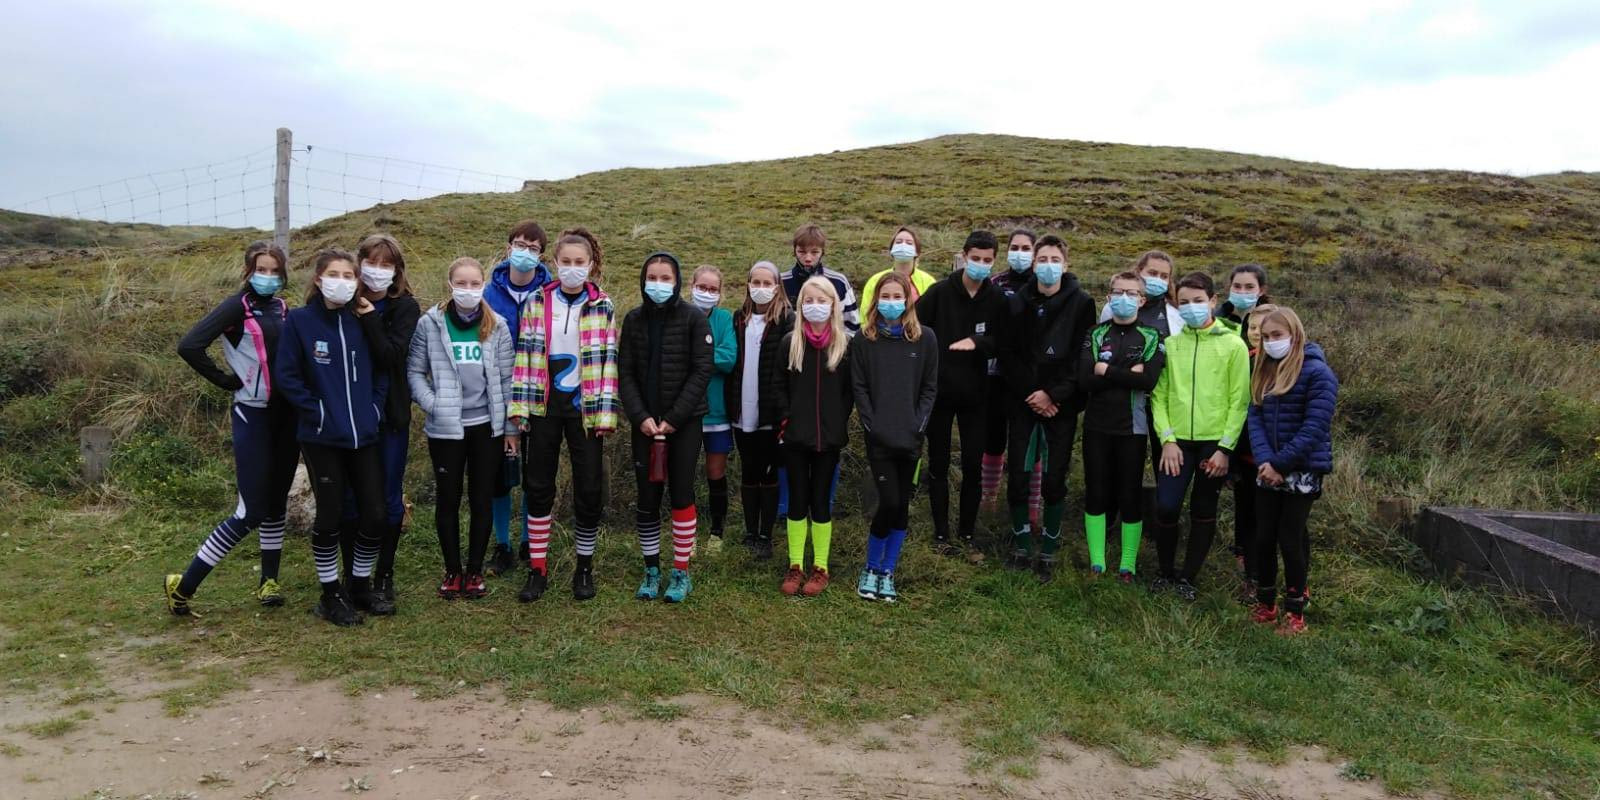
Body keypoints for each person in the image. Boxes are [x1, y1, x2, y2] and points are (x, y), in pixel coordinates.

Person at [165, 241, 299, 616]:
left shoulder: (283, 307)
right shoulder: (235, 307)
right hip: (252, 415)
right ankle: (183, 586)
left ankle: (268, 581)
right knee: (251, 511)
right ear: (248, 271)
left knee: (276, 504)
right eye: (261, 269)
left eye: (275, 271)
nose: (268, 276)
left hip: (287, 417)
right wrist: (225, 381)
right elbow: (190, 345)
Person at [274, 248, 390, 626]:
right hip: (322, 436)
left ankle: (359, 584)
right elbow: (287, 375)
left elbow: (382, 369)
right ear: (318, 279)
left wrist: (374, 410)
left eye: (348, 275)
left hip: (364, 434)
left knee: (375, 514)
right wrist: (318, 413)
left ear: (357, 282)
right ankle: (330, 593)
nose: (341, 281)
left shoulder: (363, 319)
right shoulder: (300, 321)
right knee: (331, 513)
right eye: (334, 274)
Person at [507, 228, 619, 602]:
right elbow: (525, 354)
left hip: (585, 411)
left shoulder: (603, 305)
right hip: (543, 409)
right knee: (538, 485)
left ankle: (584, 567)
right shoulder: (537, 301)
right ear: (555, 263)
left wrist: (605, 413)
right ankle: (537, 569)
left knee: (589, 488)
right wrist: (519, 408)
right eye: (566, 261)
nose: (572, 268)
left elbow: (608, 361)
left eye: (579, 262)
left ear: (591, 265)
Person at [407, 257, 514, 599]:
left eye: (475, 283)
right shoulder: (430, 324)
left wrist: (510, 428)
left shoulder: (497, 325)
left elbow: (508, 380)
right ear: (450, 284)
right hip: (446, 429)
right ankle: (453, 571)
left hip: (487, 428)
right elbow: (414, 372)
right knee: (448, 499)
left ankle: (475, 571)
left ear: (483, 285)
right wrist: (434, 404)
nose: (468, 289)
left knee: (482, 499)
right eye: (461, 283)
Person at [996, 234, 1095, 580]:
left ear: (1066, 265)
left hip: (1060, 405)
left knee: (1054, 477)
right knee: (1019, 474)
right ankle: (1021, 543)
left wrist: (1054, 394)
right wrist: (1032, 393)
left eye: (1055, 260)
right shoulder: (1017, 302)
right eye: (1043, 260)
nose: (1048, 266)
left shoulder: (1082, 303)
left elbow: (1082, 354)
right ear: (1034, 264)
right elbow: (1007, 353)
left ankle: (1050, 547)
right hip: (1023, 401)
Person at [618, 252, 713, 603]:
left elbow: (701, 371)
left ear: (677, 282)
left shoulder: (693, 319)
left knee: (682, 494)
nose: (658, 284)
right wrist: (640, 416)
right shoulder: (633, 319)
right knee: (647, 498)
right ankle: (651, 569)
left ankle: (680, 572)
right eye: (652, 277)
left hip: (684, 423)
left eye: (665, 278)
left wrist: (673, 418)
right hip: (644, 424)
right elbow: (625, 372)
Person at [1150, 272, 1250, 601]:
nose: (1191, 307)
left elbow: (1239, 402)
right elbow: (1158, 396)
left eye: (1197, 301)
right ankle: (1165, 572)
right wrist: (1167, 439)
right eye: (1184, 302)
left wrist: (1224, 449)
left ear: (1212, 301)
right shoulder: (1171, 345)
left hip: (1213, 445)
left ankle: (1187, 578)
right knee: (1166, 507)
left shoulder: (1233, 345)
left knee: (1203, 509)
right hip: (1176, 443)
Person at [916, 230, 1010, 559]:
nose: (981, 264)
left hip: (976, 395)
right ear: (964, 256)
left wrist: (978, 343)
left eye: (987, 260)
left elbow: (1004, 340)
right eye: (976, 258)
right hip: (939, 393)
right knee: (939, 463)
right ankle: (941, 533)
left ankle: (967, 534)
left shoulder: (997, 298)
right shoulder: (940, 292)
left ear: (994, 261)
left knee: (972, 464)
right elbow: (915, 327)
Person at [340, 234, 420, 614]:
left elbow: (391, 356)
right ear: (359, 264)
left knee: (389, 497)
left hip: (390, 416)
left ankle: (384, 574)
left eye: (386, 264)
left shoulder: (405, 307)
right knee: (351, 499)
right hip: (348, 415)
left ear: (397, 270)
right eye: (371, 262)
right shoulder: (341, 302)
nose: (377, 270)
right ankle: (352, 577)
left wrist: (370, 316)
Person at [1246, 306, 1337, 635]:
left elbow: (1314, 427)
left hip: (1301, 470)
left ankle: (1295, 610)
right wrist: (1265, 461)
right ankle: (1266, 603)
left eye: (1277, 335)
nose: (1271, 342)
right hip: (1267, 468)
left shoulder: (1318, 373)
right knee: (1263, 538)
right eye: (1266, 336)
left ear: (1294, 335)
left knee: (1290, 539)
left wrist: (1281, 464)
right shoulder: (1264, 371)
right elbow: (1254, 416)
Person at [849, 272, 938, 602]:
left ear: (908, 300)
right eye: (884, 296)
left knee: (901, 505)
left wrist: (919, 424)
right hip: (880, 439)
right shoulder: (864, 340)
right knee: (888, 501)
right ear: (876, 300)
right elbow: (859, 387)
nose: (891, 302)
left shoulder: (925, 339)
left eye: (896, 296)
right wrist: (872, 424)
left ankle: (888, 571)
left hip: (911, 437)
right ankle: (870, 567)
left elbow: (929, 387)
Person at [1078, 272, 1166, 581]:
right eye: (1118, 292)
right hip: (1096, 425)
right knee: (1096, 490)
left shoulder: (1152, 336)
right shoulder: (1095, 333)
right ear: (1108, 297)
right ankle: (1097, 561)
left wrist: (1106, 370)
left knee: (1130, 494)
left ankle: (1128, 564)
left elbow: (1148, 381)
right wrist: (1128, 373)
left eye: (1131, 293)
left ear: (1142, 300)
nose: (1124, 298)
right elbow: (1084, 380)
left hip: (1133, 428)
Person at [481, 219, 552, 576]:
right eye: (520, 245)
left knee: (533, 473)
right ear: (509, 247)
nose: (525, 252)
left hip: (538, 395)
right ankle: (502, 544)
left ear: (541, 255)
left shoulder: (550, 292)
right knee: (500, 473)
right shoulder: (487, 293)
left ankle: (528, 540)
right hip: (496, 395)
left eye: (533, 248)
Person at [776, 277, 854, 596]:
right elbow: (778, 387)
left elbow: (849, 393)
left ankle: (820, 567)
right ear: (801, 305)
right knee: (797, 500)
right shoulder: (790, 343)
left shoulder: (844, 346)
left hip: (829, 440)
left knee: (820, 502)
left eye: (822, 300)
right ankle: (795, 564)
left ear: (833, 305)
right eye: (809, 301)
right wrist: (786, 421)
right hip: (795, 438)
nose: (815, 306)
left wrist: (837, 423)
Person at [725, 261, 794, 560]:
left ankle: (766, 534)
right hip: (742, 409)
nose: (761, 288)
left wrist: (784, 410)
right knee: (749, 469)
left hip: (770, 412)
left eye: (767, 283)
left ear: (777, 287)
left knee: (769, 471)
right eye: (756, 282)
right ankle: (750, 530)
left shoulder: (787, 320)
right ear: (748, 285)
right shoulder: (738, 318)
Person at [1217, 264, 1270, 589]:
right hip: (1237, 437)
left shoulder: (1274, 327)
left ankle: (1262, 566)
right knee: (1244, 499)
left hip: (1267, 444)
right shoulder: (1221, 321)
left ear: (1261, 289)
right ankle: (1244, 553)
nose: (1242, 291)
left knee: (1263, 508)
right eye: (1237, 286)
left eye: (1249, 286)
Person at [982, 229, 1040, 516]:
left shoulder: (1043, 284)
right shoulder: (995, 283)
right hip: (995, 375)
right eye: (1014, 247)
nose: (1019, 253)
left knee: (1030, 445)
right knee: (993, 439)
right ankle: (988, 499)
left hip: (1030, 378)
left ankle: (1032, 505)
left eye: (1025, 248)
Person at [689, 265, 738, 550]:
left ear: (720, 293)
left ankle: (717, 532)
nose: (706, 293)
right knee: (684, 475)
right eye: (702, 287)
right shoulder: (681, 315)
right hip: (685, 412)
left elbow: (729, 358)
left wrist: (695, 355)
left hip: (717, 412)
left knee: (715, 473)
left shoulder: (724, 319)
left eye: (712, 289)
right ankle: (688, 533)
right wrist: (710, 356)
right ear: (691, 286)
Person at [1100, 250, 1182, 338]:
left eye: (1164, 276)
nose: (1158, 279)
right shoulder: (1115, 305)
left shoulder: (1176, 310)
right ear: (1138, 271)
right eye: (1152, 273)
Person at [860, 226, 937, 306]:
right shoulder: (875, 280)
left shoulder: (928, 281)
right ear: (891, 249)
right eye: (898, 242)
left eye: (909, 243)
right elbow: (866, 311)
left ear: (917, 251)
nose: (903, 245)